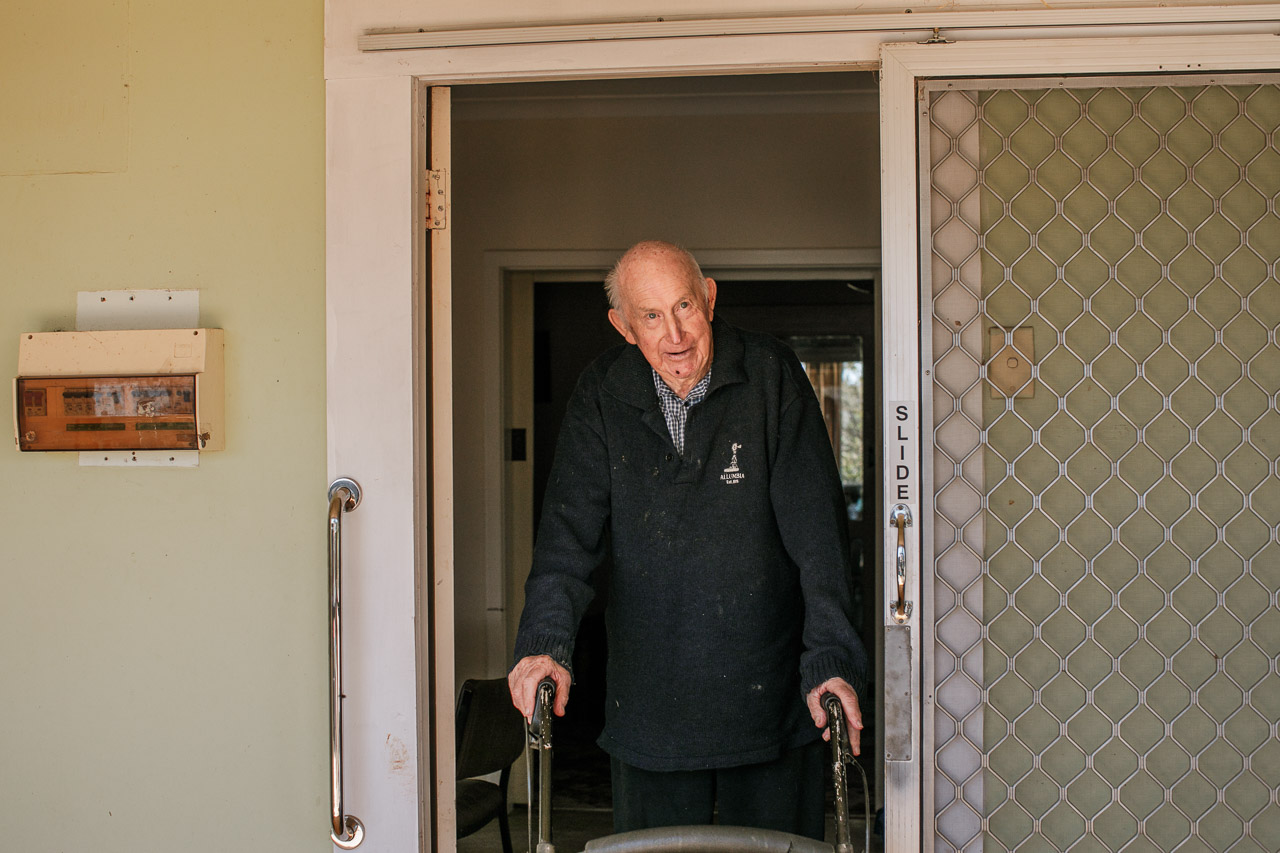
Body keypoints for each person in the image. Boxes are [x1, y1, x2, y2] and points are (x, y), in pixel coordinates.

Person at [509, 240, 868, 839]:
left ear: (710, 298)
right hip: (651, 708)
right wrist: (545, 644)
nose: (674, 334)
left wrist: (831, 661)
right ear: (623, 327)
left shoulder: (770, 375)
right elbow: (565, 541)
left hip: (773, 699)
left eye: (684, 307)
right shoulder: (602, 393)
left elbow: (820, 539)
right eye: (650, 316)